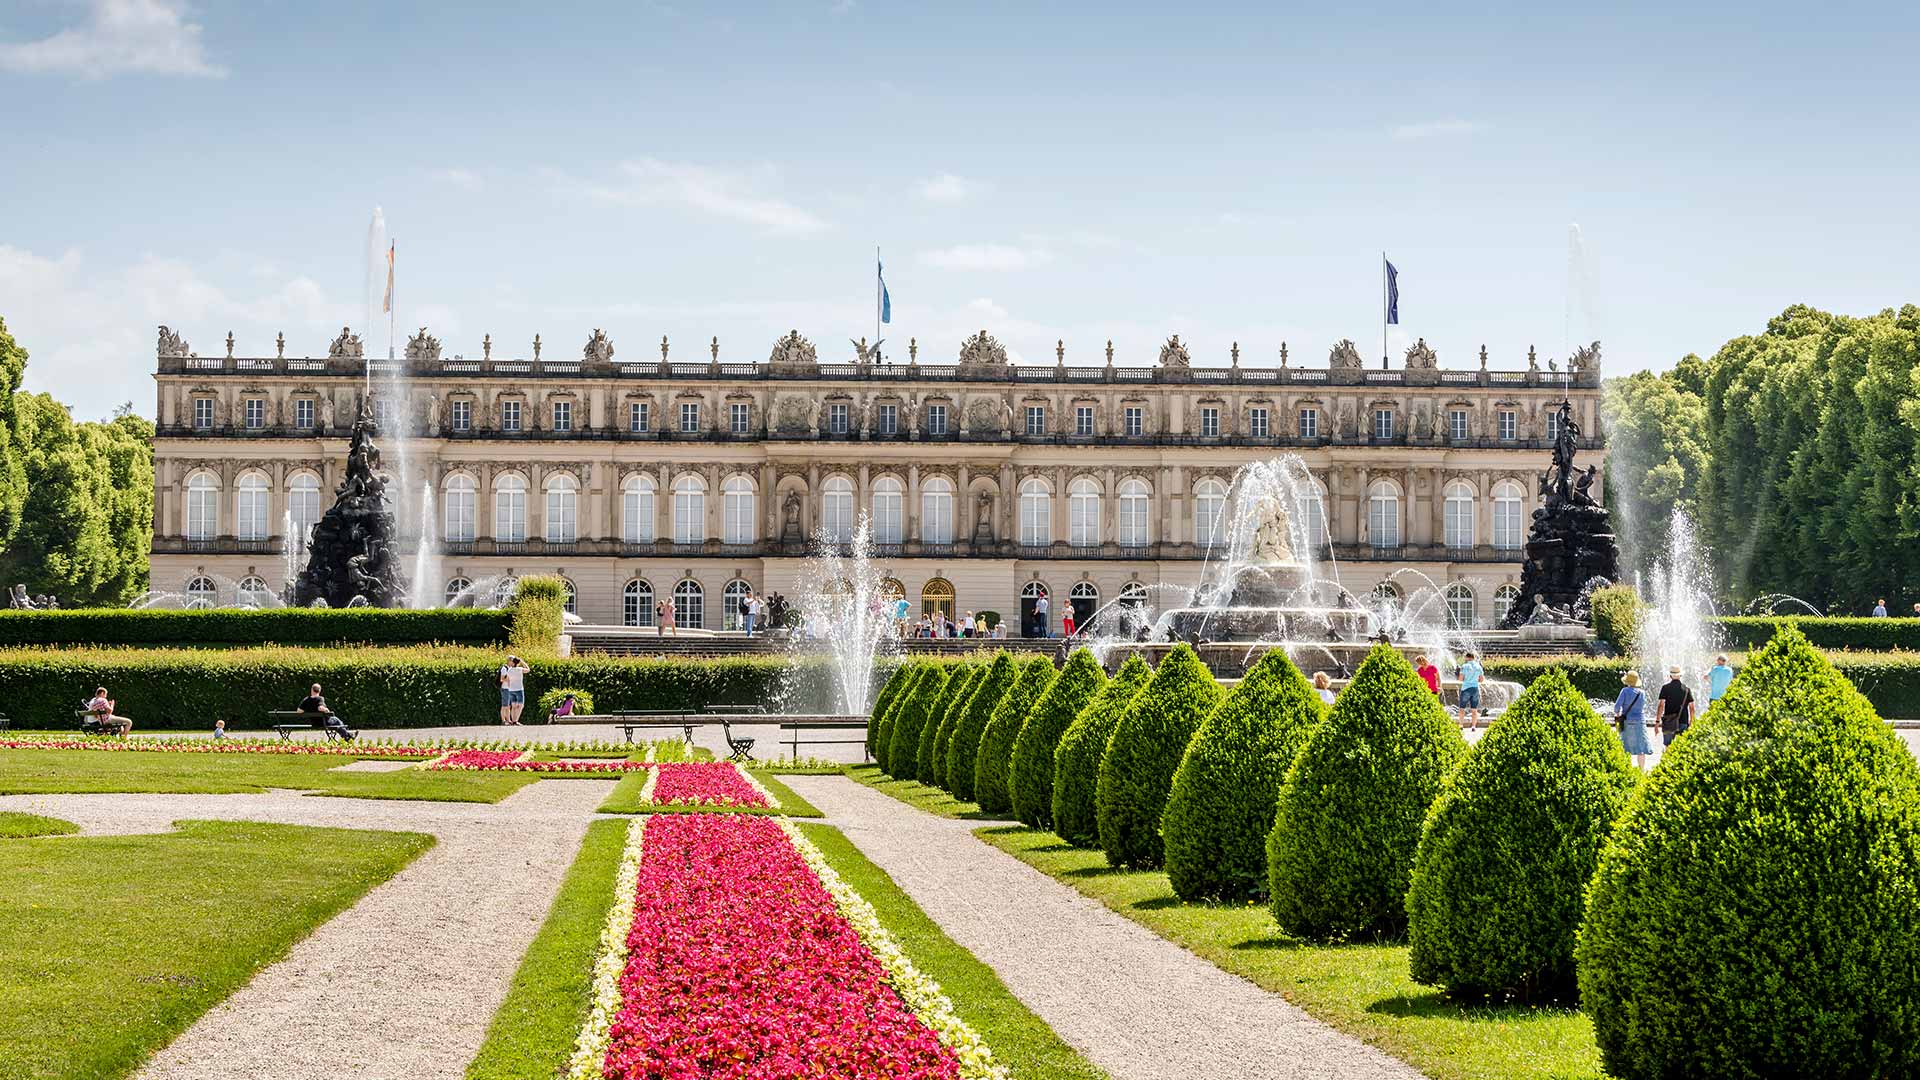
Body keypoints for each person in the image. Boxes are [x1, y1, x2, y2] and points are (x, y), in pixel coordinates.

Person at [1614, 670, 1652, 770]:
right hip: (1640, 721)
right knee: (1641, 747)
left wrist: (1618, 716)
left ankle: (1627, 769)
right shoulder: (1642, 693)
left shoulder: (1624, 691)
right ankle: (1641, 770)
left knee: (1625, 746)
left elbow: (1616, 707)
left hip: (1627, 721)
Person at [1657, 665, 1695, 747]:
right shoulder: (1687, 690)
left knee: (1668, 746)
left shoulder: (1665, 688)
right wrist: (1692, 721)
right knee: (1682, 746)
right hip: (1683, 721)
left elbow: (1661, 705)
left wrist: (1657, 722)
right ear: (1680, 675)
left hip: (1669, 721)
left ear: (1670, 676)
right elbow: (1691, 708)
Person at [1457, 651, 1484, 730]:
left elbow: (1460, 679)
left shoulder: (1464, 666)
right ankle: (1473, 726)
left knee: (1462, 708)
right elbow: (1481, 680)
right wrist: (1474, 680)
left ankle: (1461, 725)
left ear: (1467, 657)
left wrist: (1467, 679)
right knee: (1474, 709)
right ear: (1473, 658)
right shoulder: (1478, 666)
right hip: (1475, 689)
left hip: (1465, 688)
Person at [498, 656, 529, 725]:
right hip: (519, 689)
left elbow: (507, 679)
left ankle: (513, 720)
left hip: (511, 689)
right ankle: (515, 720)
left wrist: (510, 684)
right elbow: (528, 670)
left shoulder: (509, 670)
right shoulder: (520, 669)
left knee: (513, 706)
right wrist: (523, 662)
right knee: (521, 705)